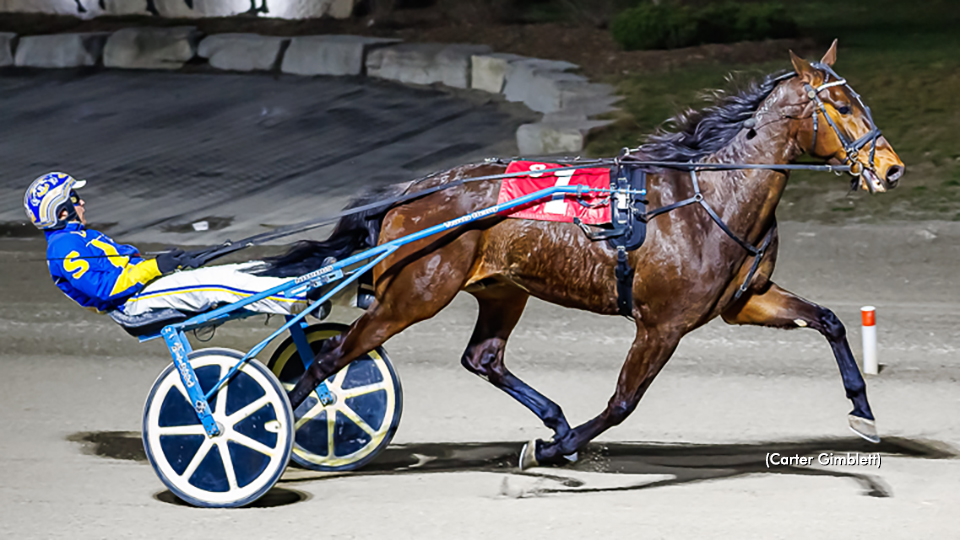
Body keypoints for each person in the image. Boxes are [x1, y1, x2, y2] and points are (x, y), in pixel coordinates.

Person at [25, 172, 310, 318]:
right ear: (62, 212)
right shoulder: (63, 248)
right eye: (75, 198)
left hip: (142, 289)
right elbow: (104, 288)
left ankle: (306, 281)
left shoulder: (77, 237)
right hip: (133, 302)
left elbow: (127, 265)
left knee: (237, 268)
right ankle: (296, 300)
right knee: (214, 283)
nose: (82, 202)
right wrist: (157, 267)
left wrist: (170, 262)